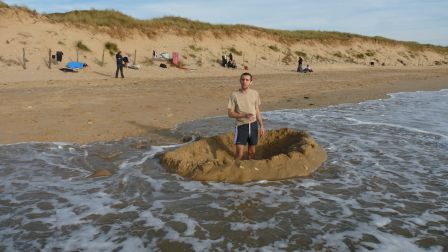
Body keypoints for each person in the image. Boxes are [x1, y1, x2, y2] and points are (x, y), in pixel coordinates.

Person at [227, 72, 265, 160]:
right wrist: (243, 115)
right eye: (243, 79)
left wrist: (261, 126)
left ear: (251, 82)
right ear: (240, 81)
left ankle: (249, 169)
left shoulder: (255, 93)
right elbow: (230, 113)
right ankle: (235, 169)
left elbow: (257, 110)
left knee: (252, 152)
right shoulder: (234, 95)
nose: (244, 81)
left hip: (253, 125)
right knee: (239, 154)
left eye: (247, 80)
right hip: (241, 126)